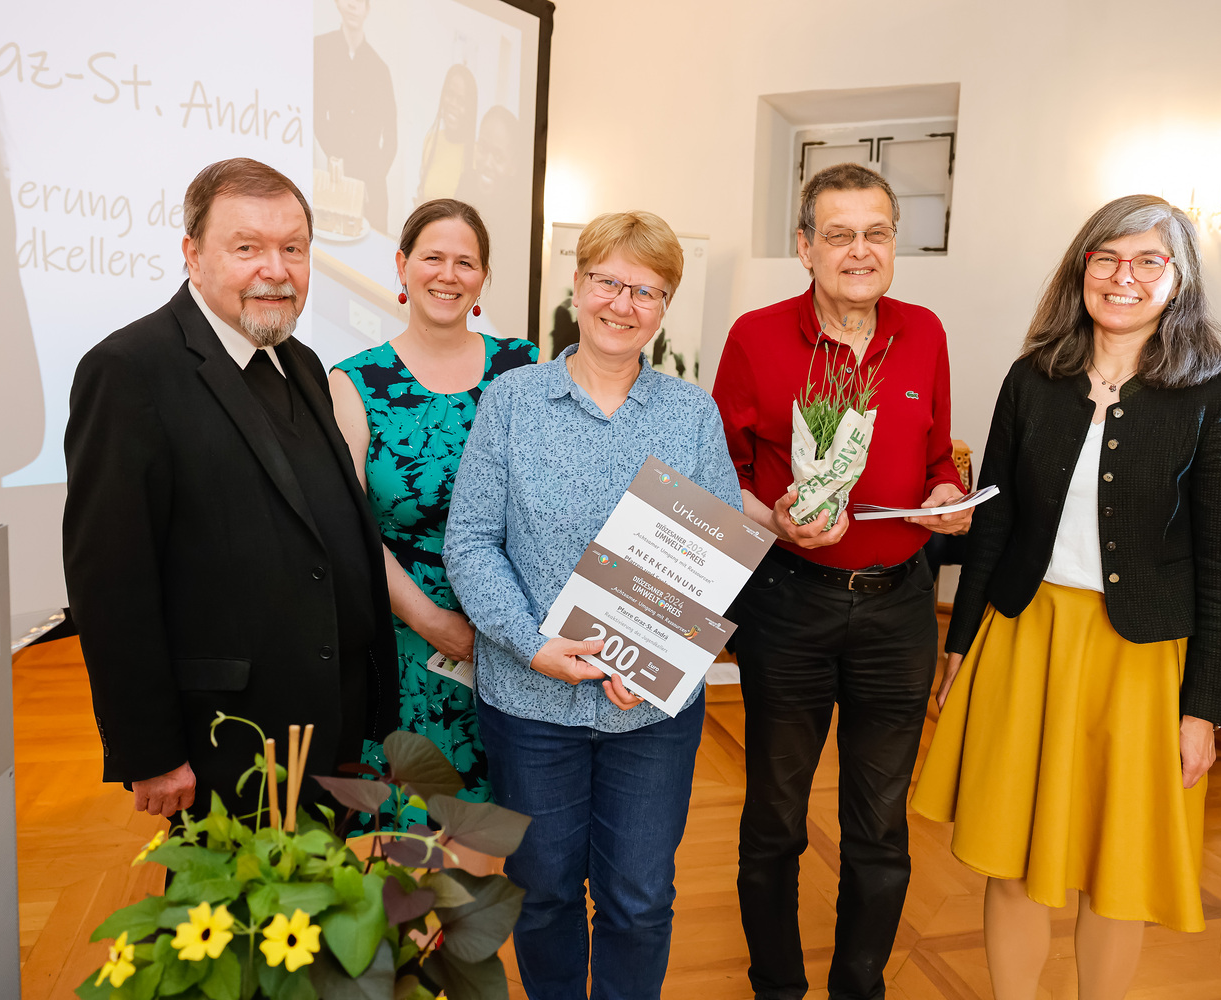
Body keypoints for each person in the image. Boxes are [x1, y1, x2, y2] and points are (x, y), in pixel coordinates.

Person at [912, 194, 1221, 1000]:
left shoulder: (1214, 395)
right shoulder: (1033, 379)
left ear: (1178, 279)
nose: (1123, 276)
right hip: (1024, 636)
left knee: (1117, 866)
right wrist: (959, 646)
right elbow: (994, 523)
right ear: (1081, 269)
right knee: (1010, 856)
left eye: (1147, 260)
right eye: (1106, 258)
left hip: (1140, 661)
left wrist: (1204, 708)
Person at [442, 211, 740, 1000]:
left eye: (647, 290)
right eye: (608, 282)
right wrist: (531, 643)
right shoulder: (512, 401)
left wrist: (661, 659)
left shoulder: (692, 414)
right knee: (542, 894)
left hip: (650, 714)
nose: (623, 303)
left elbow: (714, 560)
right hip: (531, 702)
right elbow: (470, 543)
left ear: (664, 306)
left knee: (639, 901)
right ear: (576, 286)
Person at [63, 158, 399, 821]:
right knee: (227, 895)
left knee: (319, 892)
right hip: (226, 737)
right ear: (193, 255)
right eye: (247, 248)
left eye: (293, 249)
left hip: (328, 726)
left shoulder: (301, 362)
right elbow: (111, 585)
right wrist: (150, 751)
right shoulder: (129, 371)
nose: (276, 269)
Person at [710, 162, 967, 1000]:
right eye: (840, 234)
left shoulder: (924, 332)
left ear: (895, 244)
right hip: (789, 603)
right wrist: (773, 520)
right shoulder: (755, 338)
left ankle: (861, 988)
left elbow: (937, 458)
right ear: (806, 246)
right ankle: (777, 989)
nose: (860, 251)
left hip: (900, 609)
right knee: (776, 819)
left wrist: (946, 497)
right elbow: (718, 475)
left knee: (880, 826)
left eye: (877, 234)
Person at [329, 199, 537, 821]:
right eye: (433, 258)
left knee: (505, 830)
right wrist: (433, 623)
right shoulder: (355, 382)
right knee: (410, 835)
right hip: (404, 637)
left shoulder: (525, 367)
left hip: (517, 633)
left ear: (483, 277)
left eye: (465, 262)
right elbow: (351, 529)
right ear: (402, 266)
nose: (449, 275)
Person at [314, 0, 397, 233]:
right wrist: (337, 162)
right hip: (336, 178)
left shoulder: (380, 69)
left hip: (372, 188)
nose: (352, 5)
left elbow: (391, 139)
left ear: (367, 9)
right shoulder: (320, 48)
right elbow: (317, 117)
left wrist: (372, 177)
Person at [417, 64, 477, 204]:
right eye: (450, 95)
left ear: (469, 108)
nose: (453, 104)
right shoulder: (431, 140)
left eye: (461, 101)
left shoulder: (475, 154)